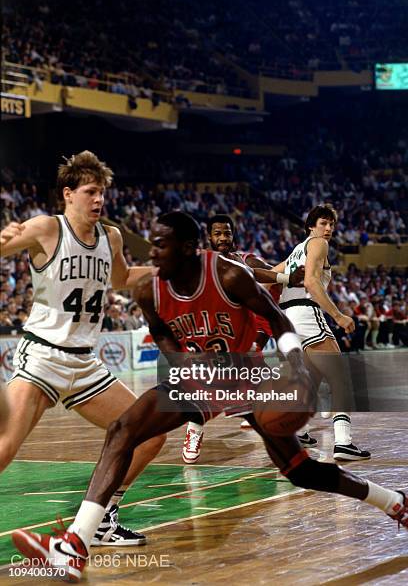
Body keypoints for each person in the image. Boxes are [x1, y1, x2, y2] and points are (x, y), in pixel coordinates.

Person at [12, 212, 407, 582]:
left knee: (299, 470)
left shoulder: (227, 274)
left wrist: (296, 365)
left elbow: (276, 317)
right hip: (200, 376)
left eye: (161, 244)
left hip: (244, 376)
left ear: (186, 248)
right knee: (124, 428)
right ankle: (76, 543)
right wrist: (182, 361)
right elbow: (161, 332)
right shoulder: (149, 290)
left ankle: (391, 501)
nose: (151, 252)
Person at [0, 151, 166, 546]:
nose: (99, 200)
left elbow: (122, 279)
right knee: (5, 447)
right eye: (91, 192)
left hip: (85, 365)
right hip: (42, 355)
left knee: (149, 436)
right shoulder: (45, 229)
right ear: (68, 194)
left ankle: (102, 517)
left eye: (102, 193)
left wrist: (170, 268)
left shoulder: (111, 236)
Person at [183, 214, 303, 463]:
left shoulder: (244, 260)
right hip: (211, 336)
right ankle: (193, 432)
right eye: (218, 233)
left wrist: (286, 278)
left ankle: (284, 438)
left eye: (227, 233)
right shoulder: (200, 262)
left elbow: (261, 272)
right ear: (209, 236)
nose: (223, 238)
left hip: (241, 338)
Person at [275, 204, 371, 460]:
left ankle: (299, 430)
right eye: (323, 223)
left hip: (287, 319)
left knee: (314, 377)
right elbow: (311, 282)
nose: (328, 229)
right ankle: (343, 442)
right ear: (310, 226)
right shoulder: (318, 244)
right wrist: (338, 315)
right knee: (341, 376)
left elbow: (267, 277)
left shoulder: (295, 251)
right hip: (306, 313)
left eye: (331, 224)